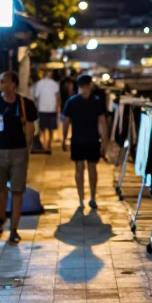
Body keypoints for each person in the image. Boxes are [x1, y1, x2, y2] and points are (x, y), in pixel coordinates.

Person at [0, 71, 33, 243]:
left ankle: (14, 229)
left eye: (3, 80)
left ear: (13, 84)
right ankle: (2, 218)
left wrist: (27, 149)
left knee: (18, 190)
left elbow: (30, 128)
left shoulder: (25, 103)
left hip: (19, 152)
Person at [61, 74, 109, 209]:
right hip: (93, 140)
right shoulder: (96, 101)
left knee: (79, 169)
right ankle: (92, 197)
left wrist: (64, 139)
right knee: (92, 170)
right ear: (90, 85)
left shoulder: (71, 101)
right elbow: (102, 123)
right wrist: (104, 141)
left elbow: (66, 122)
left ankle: (81, 199)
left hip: (77, 140)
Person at [31, 68, 61, 151]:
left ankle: (44, 143)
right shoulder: (55, 84)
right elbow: (57, 96)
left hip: (42, 108)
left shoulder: (39, 84)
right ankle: (49, 143)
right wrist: (58, 107)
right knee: (51, 127)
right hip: (52, 108)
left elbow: (36, 97)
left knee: (42, 128)